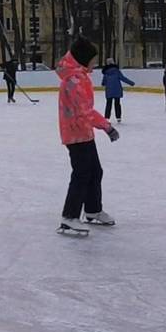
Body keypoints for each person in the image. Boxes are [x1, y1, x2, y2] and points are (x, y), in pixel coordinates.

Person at [57, 38, 120, 231]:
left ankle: (92, 210)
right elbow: (85, 111)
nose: (95, 63)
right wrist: (107, 126)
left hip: (83, 133)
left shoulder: (80, 76)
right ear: (83, 59)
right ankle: (69, 216)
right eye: (92, 60)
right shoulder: (74, 81)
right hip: (76, 134)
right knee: (82, 174)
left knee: (95, 171)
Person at [101, 58, 135, 123]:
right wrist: (131, 83)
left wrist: (103, 83)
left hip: (109, 91)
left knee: (108, 104)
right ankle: (118, 117)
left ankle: (107, 117)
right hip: (117, 90)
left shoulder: (106, 72)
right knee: (117, 104)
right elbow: (123, 78)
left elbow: (104, 82)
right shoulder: (116, 71)